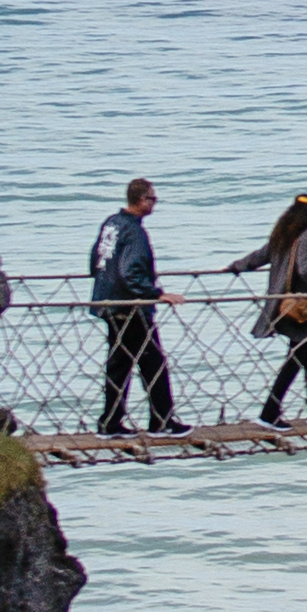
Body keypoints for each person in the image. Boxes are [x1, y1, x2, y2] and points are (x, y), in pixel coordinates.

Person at [86, 176, 180, 434]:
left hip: (108, 303)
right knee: (153, 363)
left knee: (119, 365)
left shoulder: (111, 224)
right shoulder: (134, 231)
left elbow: (95, 261)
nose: (155, 204)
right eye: (153, 199)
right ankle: (162, 421)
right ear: (142, 200)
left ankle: (110, 422)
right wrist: (155, 293)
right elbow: (130, 271)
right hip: (130, 308)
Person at [241, 191, 307, 422]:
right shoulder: (304, 238)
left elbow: (259, 257)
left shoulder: (283, 234)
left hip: (283, 306)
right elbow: (306, 270)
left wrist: (235, 266)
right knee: (296, 361)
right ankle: (270, 413)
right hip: (299, 310)